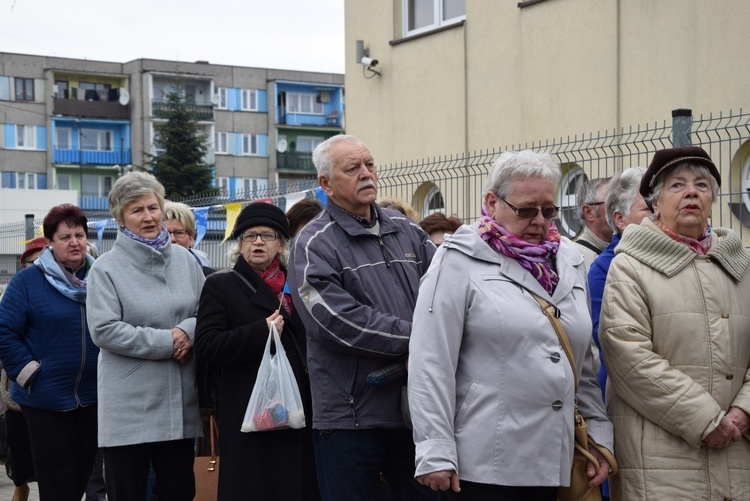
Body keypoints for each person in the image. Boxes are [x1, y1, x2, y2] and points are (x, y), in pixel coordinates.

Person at [408, 150, 613, 500]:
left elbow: (583, 363)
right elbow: (431, 360)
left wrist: (596, 434)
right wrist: (435, 448)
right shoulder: (458, 260)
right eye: (526, 210)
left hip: (558, 457)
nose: (539, 221)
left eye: (548, 210)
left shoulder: (569, 259)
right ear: (492, 201)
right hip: (485, 462)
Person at [288, 134, 437, 501]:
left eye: (369, 164)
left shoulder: (409, 232)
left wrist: (436, 336)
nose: (366, 174)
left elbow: (446, 293)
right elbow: (334, 320)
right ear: (326, 184)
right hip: (350, 415)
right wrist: (419, 338)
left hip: (415, 408)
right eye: (353, 168)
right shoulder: (313, 243)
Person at [599, 146, 750, 500]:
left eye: (701, 184)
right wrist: (706, 420)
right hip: (661, 460)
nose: (691, 193)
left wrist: (745, 410)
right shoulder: (630, 266)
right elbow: (629, 357)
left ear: (713, 197)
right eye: (677, 185)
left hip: (738, 449)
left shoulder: (741, 268)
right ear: (655, 202)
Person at [86, 171, 205, 501]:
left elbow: (206, 313)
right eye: (136, 210)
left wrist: (188, 331)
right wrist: (169, 342)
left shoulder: (186, 260)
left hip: (179, 404)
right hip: (128, 409)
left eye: (153, 207)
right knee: (128, 493)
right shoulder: (105, 268)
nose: (149, 216)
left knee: (179, 491)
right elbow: (105, 329)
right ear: (120, 217)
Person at [195, 202, 318, 500]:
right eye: (249, 236)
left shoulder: (300, 283)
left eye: (267, 235)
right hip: (248, 410)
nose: (258, 242)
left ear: (281, 243)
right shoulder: (221, 285)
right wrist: (259, 332)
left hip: (299, 407)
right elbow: (207, 345)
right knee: (252, 486)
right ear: (240, 243)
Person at [0, 205, 99, 501]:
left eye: (79, 235)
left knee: (83, 472)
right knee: (57, 478)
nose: (74, 242)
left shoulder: (102, 278)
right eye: (65, 236)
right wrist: (29, 372)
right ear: (51, 242)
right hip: (44, 397)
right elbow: (4, 331)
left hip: (94, 395)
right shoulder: (28, 282)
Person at [585, 167, 649, 501]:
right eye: (646, 208)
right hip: (630, 407)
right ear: (619, 219)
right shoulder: (604, 269)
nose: (656, 214)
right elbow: (617, 348)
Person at [0, 237, 46, 501]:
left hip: (55, 392)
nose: (38, 266)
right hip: (18, 393)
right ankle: (21, 488)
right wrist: (27, 371)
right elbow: (5, 337)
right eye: (33, 261)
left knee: (51, 463)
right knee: (19, 462)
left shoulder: (68, 288)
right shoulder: (13, 292)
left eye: (43, 259)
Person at [573, 177, 613, 269]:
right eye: (612, 203)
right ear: (589, 212)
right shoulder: (575, 258)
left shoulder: (627, 250)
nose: (621, 209)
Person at [164, 201, 214, 273]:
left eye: (178, 233)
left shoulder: (205, 272)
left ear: (191, 238)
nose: (172, 239)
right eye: (166, 233)